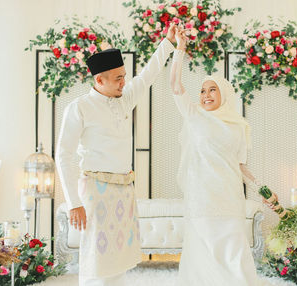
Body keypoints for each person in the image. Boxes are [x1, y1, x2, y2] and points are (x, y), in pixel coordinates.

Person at [56, 24, 179, 286]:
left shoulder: (124, 98)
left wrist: (167, 43)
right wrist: (73, 202)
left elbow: (147, 75)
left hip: (123, 188)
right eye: (118, 78)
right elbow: (63, 155)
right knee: (96, 255)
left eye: (124, 76)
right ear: (99, 80)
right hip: (95, 190)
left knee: (120, 256)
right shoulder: (79, 108)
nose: (124, 82)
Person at [170, 29, 269, 286]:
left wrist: (264, 190)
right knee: (204, 254)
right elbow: (175, 85)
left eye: (212, 90)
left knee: (234, 250)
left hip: (229, 195)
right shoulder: (194, 117)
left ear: (224, 94)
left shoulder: (239, 126)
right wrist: (180, 48)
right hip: (201, 197)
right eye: (202, 91)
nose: (206, 95)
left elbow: (241, 167)